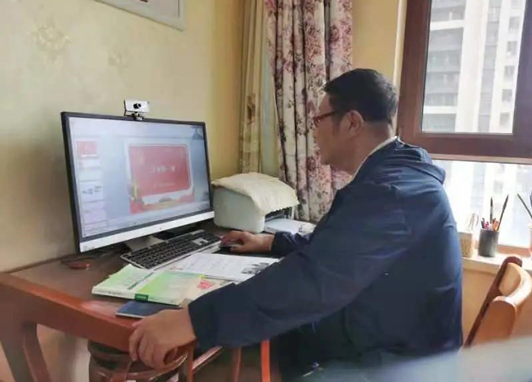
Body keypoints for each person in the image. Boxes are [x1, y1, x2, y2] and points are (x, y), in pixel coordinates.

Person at [128, 69, 463, 380]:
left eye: (319, 120)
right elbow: (339, 250)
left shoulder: (390, 193)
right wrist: (271, 242)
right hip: (388, 336)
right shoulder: (396, 175)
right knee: (267, 335)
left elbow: (313, 280)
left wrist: (192, 320)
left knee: (255, 334)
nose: (313, 131)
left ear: (352, 123)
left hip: (397, 364)